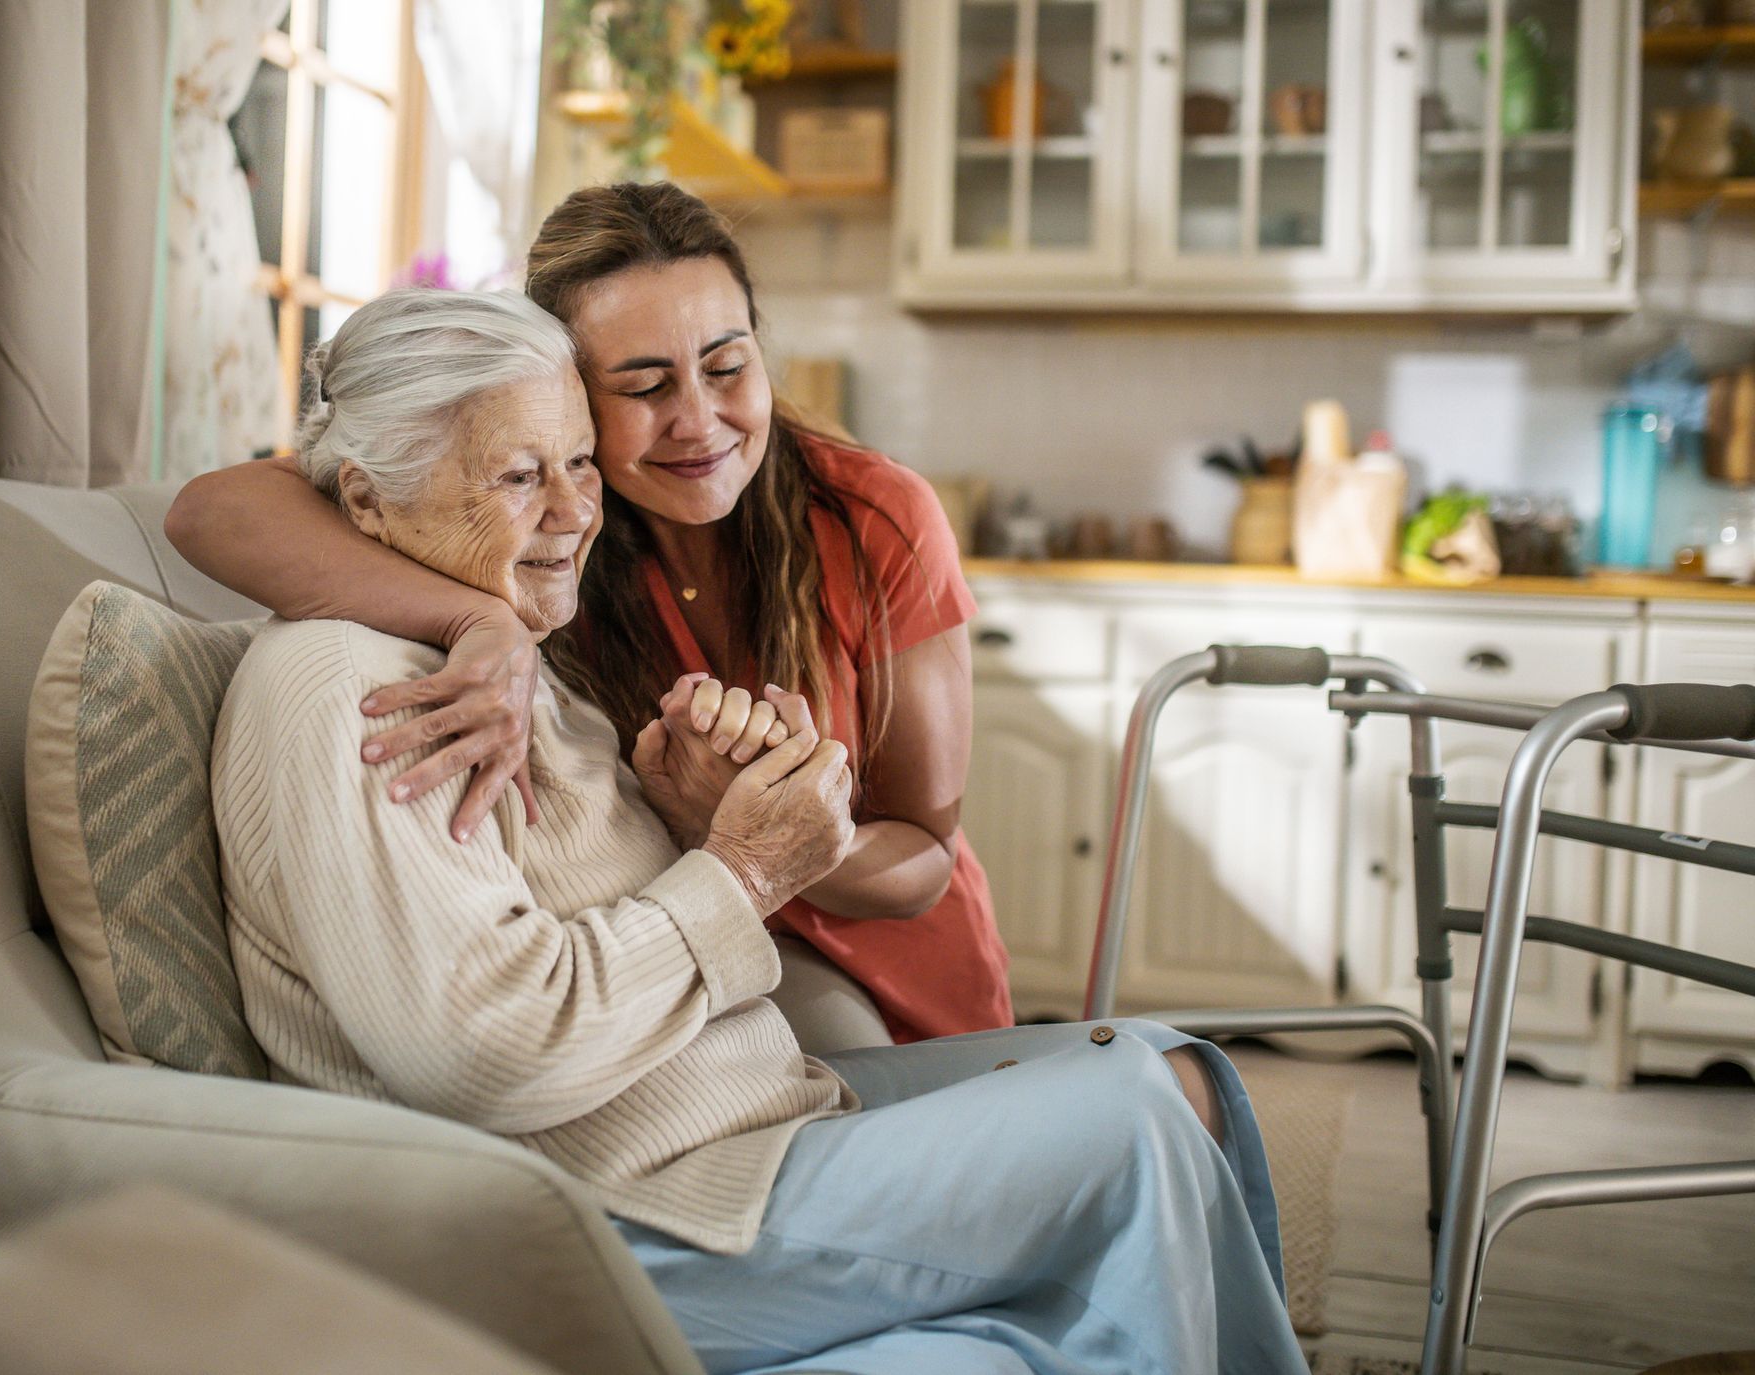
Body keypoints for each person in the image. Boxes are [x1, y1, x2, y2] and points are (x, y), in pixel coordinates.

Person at [211, 286, 1307, 1375]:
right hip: (639, 1210)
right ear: (364, 499)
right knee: (1132, 1121)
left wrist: (712, 804)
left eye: (580, 462)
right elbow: (486, 1047)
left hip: (745, 1130)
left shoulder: (490, 654)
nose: (574, 510)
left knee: (1172, 1069)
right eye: (515, 475)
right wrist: (739, 868)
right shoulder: (352, 693)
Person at [168, 181, 1009, 1046]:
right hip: (693, 967)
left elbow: (925, 859)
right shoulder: (554, 533)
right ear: (567, 391)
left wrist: (771, 833)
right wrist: (478, 622)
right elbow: (210, 511)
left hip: (902, 978)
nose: (699, 421)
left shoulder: (874, 518)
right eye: (644, 385)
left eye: (727, 367)